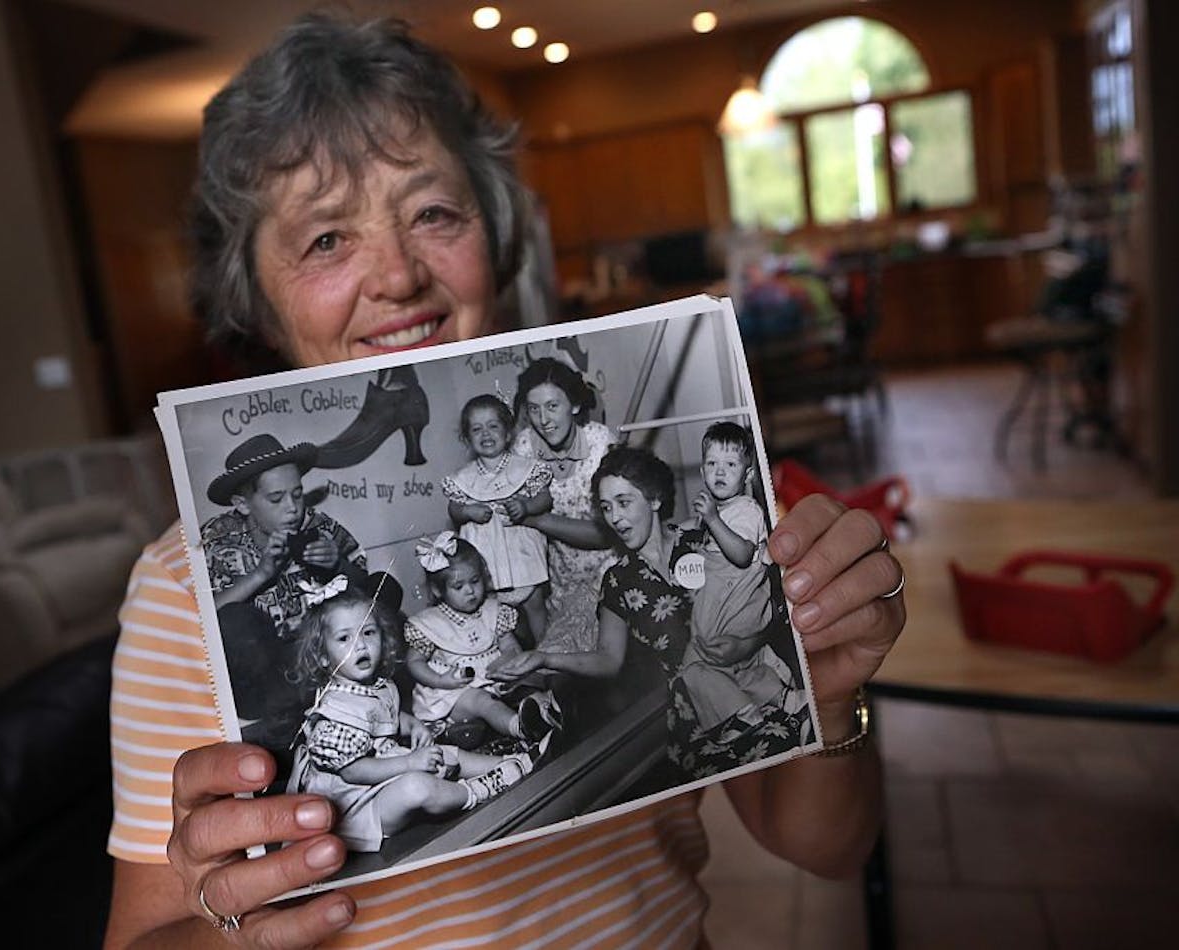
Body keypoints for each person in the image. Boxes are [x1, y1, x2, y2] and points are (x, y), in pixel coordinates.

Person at [103, 14, 906, 949]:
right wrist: (232, 930)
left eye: (434, 213)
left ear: (496, 231)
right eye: (326, 240)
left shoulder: (627, 504)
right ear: (256, 295)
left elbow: (827, 846)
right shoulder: (175, 597)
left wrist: (836, 690)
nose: (398, 273)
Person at [491, 446, 807, 780]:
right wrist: (544, 659)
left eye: (624, 503)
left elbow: (768, 599)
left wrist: (747, 644)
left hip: (761, 682)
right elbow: (608, 660)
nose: (615, 517)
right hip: (700, 719)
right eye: (606, 507)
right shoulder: (618, 582)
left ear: (654, 500)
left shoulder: (704, 538)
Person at [285, 581, 533, 853]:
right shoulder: (334, 714)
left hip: (385, 771)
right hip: (359, 807)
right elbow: (353, 770)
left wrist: (412, 724)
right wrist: (408, 763)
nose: (361, 646)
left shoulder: (375, 685)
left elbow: (386, 714)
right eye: (344, 638)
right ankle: (474, 792)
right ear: (321, 656)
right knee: (417, 787)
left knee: (443, 754)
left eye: (368, 632)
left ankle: (509, 763)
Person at [199, 432, 368, 752]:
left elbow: (368, 588)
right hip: (263, 677)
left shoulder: (317, 524)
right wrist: (262, 573)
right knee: (235, 621)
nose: (292, 508)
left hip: (318, 658)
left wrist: (338, 564)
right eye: (276, 499)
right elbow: (201, 620)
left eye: (298, 494)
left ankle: (321, 711)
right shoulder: (217, 538)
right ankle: (289, 723)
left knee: (385, 594)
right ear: (242, 504)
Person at [677, 421, 799, 732]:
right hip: (724, 606)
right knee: (735, 668)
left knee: (695, 666)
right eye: (712, 463)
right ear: (703, 470)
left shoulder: (747, 510)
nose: (719, 472)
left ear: (747, 475)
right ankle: (783, 698)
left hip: (737, 606)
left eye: (730, 465)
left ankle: (741, 713)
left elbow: (742, 554)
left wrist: (712, 519)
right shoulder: (722, 510)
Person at [403, 532, 556, 744]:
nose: (470, 591)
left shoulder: (493, 611)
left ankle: (547, 713)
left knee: (531, 683)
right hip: (453, 694)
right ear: (438, 590)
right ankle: (521, 728)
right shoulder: (430, 624)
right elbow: (414, 662)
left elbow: (510, 645)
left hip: (494, 680)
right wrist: (440, 680)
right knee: (483, 701)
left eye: (475, 581)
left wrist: (508, 660)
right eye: (458, 587)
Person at [510, 356, 618, 654]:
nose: (543, 419)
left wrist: (534, 519)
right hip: (559, 585)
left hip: (610, 576)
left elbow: (605, 534)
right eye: (534, 409)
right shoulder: (524, 446)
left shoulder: (600, 443)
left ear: (574, 405)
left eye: (552, 406)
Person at [441, 394, 552, 641]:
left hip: (520, 551)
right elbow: (454, 509)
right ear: (468, 438)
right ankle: (506, 649)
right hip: (487, 553)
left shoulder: (526, 468)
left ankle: (547, 650)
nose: (486, 434)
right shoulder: (463, 478)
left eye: (493, 426)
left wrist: (527, 507)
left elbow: (545, 499)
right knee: (493, 611)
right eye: (477, 429)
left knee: (534, 604)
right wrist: (467, 511)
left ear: (508, 432)